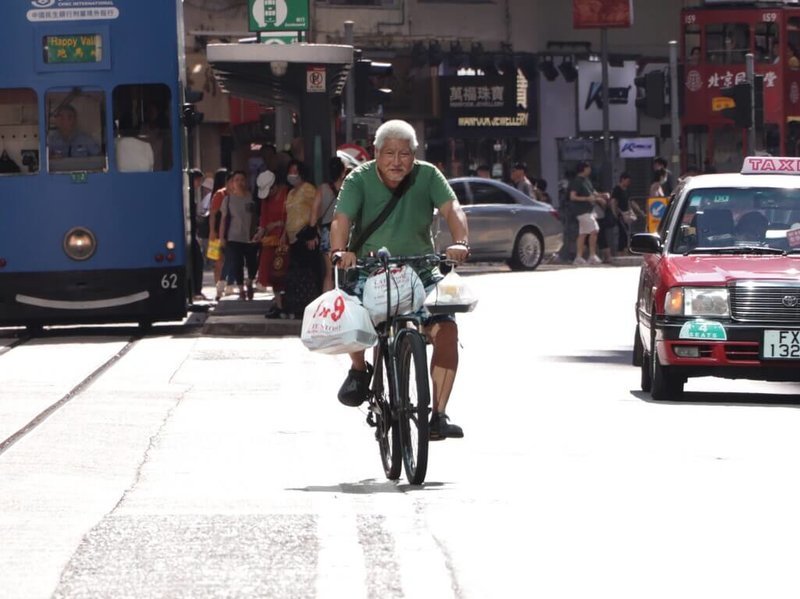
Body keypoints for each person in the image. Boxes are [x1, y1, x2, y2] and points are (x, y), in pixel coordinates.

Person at [330, 119, 470, 439]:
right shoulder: (358, 179)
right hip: (369, 267)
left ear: (414, 154)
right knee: (354, 314)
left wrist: (460, 242)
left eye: (404, 154)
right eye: (389, 153)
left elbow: (453, 210)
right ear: (376, 153)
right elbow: (341, 219)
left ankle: (438, 414)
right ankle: (358, 368)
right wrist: (340, 251)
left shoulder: (428, 175)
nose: (396, 161)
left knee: (447, 330)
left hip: (421, 268)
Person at [277, 159, 320, 318]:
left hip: (305, 236)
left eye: (295, 171)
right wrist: (283, 235)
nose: (292, 174)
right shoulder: (291, 192)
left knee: (307, 273)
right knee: (294, 274)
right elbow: (288, 215)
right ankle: (295, 306)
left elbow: (316, 210)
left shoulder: (308, 189)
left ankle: (307, 307)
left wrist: (312, 233)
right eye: (290, 171)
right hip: (292, 237)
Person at [253, 169, 289, 317]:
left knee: (283, 272)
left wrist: (279, 228)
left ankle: (285, 304)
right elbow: (263, 219)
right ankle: (279, 304)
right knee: (273, 274)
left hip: (284, 240)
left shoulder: (287, 194)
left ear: (275, 186)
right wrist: (260, 232)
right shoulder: (265, 199)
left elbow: (290, 217)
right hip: (270, 242)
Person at [219, 171, 259, 301]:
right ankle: (241, 289)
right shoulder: (228, 199)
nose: (240, 182)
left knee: (253, 263)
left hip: (251, 237)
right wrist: (221, 237)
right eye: (236, 180)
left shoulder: (251, 198)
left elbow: (257, 217)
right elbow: (224, 219)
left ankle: (250, 281)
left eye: (242, 179)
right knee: (237, 264)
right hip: (233, 237)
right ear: (232, 183)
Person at [311, 156, 349, 292]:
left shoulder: (322, 189)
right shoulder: (349, 187)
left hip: (328, 231)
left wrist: (314, 232)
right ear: (342, 172)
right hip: (346, 231)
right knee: (345, 270)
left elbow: (314, 214)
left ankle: (327, 305)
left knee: (329, 273)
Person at [568, 161, 607, 266]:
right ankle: (592, 255)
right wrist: (586, 198)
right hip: (582, 211)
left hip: (589, 210)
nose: (590, 170)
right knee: (595, 230)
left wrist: (601, 196)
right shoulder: (577, 181)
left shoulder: (587, 180)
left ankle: (579, 257)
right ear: (584, 169)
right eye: (588, 168)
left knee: (583, 233)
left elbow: (593, 193)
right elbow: (572, 196)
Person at [208, 168, 231, 301]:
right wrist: (212, 231)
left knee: (226, 260)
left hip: (229, 233)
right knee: (217, 261)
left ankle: (226, 285)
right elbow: (213, 214)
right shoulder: (219, 194)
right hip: (216, 233)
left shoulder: (234, 194)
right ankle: (218, 288)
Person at [611, 172, 634, 253]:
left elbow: (630, 201)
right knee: (623, 232)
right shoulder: (617, 189)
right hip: (620, 213)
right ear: (622, 180)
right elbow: (613, 201)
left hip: (627, 213)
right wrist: (615, 213)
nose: (628, 183)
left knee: (628, 232)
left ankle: (626, 249)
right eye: (627, 181)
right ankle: (621, 250)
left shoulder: (627, 190)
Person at [197, 176, 214, 265]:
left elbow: (206, 211)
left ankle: (211, 263)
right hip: (208, 228)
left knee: (207, 246)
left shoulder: (209, 196)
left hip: (206, 228)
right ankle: (211, 263)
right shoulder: (210, 196)